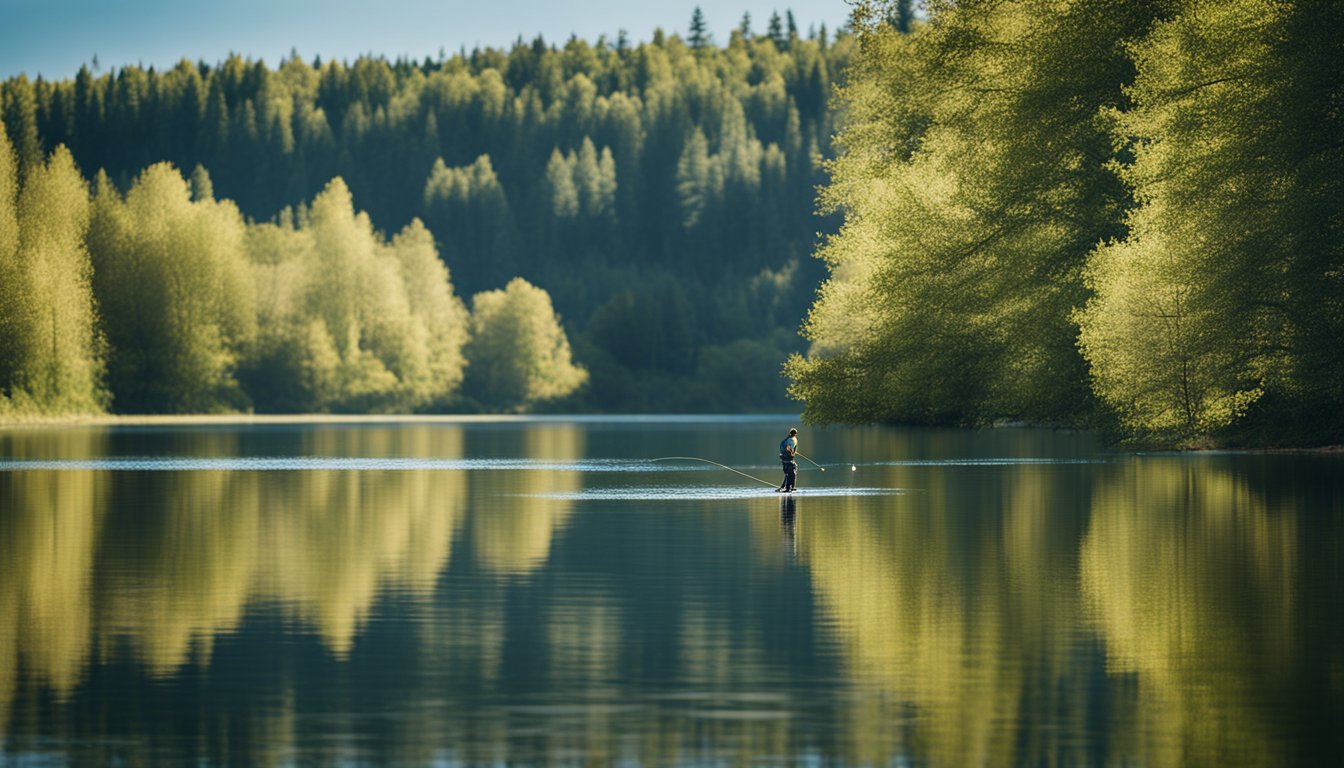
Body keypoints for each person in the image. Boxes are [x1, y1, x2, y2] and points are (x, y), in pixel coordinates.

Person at [777, 428, 798, 492]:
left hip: (784, 459)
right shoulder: (791, 440)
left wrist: (793, 452)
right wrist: (792, 452)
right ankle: (789, 488)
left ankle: (785, 486)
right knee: (792, 472)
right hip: (788, 458)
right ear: (795, 434)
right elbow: (788, 447)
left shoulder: (786, 439)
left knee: (788, 473)